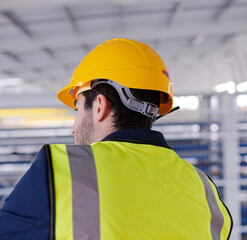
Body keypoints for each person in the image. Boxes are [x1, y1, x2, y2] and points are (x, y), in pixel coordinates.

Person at [0, 38, 232, 239]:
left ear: (100, 105)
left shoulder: (60, 171)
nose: (73, 128)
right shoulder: (203, 187)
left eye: (78, 109)